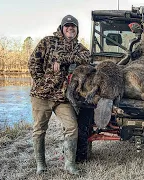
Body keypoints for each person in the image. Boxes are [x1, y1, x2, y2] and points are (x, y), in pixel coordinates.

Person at [28, 15, 90, 175]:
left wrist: (63, 59)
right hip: (42, 96)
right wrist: (41, 82)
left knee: (72, 127)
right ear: (62, 28)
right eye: (67, 26)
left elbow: (86, 58)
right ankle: (41, 165)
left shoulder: (78, 47)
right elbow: (33, 62)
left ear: (77, 30)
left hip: (62, 98)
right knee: (39, 129)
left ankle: (69, 164)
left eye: (73, 26)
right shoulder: (48, 41)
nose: (71, 28)